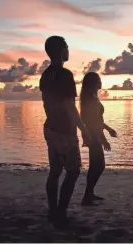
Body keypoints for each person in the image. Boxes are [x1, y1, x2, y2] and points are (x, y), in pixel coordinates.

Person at [39, 36, 91, 227]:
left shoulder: (45, 75)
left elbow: (47, 103)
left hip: (50, 128)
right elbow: (69, 105)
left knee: (55, 171)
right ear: (61, 50)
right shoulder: (65, 75)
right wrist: (83, 129)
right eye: (67, 47)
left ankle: (53, 211)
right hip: (64, 131)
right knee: (73, 171)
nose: (69, 51)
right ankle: (60, 212)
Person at [80, 72, 117, 206]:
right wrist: (103, 139)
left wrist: (108, 129)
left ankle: (89, 194)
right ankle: (87, 196)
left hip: (94, 133)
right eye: (98, 79)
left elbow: (98, 120)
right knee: (99, 165)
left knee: (94, 166)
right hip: (93, 134)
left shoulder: (93, 97)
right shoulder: (90, 99)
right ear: (93, 83)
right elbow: (93, 122)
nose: (100, 81)